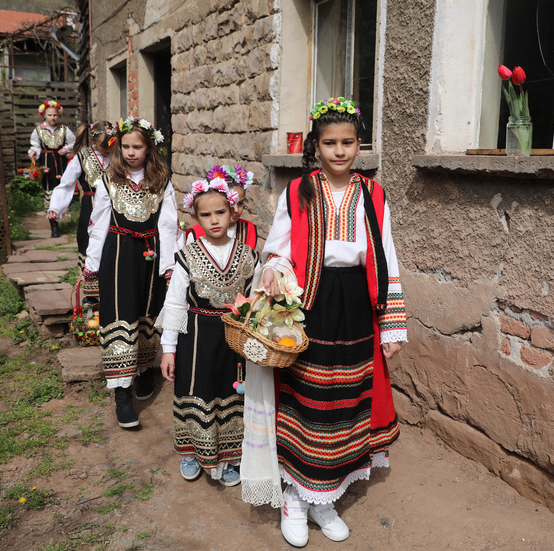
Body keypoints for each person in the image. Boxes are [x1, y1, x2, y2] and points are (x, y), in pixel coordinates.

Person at [250, 97, 407, 547]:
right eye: (330, 143)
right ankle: (296, 498)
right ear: (315, 147)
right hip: (310, 304)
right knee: (308, 397)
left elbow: (386, 256)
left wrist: (392, 324)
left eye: (349, 142)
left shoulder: (373, 193)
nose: (340, 151)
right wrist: (276, 272)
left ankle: (324, 497)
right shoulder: (298, 191)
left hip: (357, 303)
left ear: (360, 145)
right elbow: (277, 247)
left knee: (346, 396)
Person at [157, 174, 259, 487]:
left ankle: (228, 459)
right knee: (195, 391)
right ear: (195, 217)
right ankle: (191, 452)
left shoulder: (248, 256)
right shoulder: (187, 256)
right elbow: (175, 304)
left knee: (231, 394)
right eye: (205, 214)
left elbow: (255, 302)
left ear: (233, 212)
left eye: (220, 212)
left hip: (233, 339)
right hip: (195, 337)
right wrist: (169, 350)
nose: (214, 220)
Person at [83, 116, 179, 428]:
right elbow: (98, 224)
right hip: (119, 253)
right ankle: (122, 396)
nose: (131, 152)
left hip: (150, 256)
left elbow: (168, 226)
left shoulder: (162, 181)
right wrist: (91, 264)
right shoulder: (108, 181)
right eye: (125, 146)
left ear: (149, 147)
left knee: (148, 311)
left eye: (137, 146)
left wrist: (168, 266)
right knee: (120, 315)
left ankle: (145, 369)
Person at [48, 120, 113, 276]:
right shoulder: (82, 157)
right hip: (90, 206)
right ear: (92, 141)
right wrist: (56, 207)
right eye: (103, 147)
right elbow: (66, 184)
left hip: (113, 207)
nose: (107, 150)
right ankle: (90, 289)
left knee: (111, 243)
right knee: (87, 240)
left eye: (110, 146)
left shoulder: (118, 155)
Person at [181, 164, 258, 250]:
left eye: (240, 203)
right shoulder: (196, 234)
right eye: (231, 203)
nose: (235, 209)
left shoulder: (249, 230)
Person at [29, 100, 76, 238]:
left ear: (58, 115)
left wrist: (66, 149)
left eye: (55, 115)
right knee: (49, 191)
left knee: (62, 188)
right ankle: (53, 226)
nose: (52, 118)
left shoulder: (64, 129)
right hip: (47, 163)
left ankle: (62, 214)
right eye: (49, 115)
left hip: (61, 163)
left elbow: (74, 143)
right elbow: (35, 146)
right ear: (44, 115)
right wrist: (33, 153)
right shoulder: (38, 130)